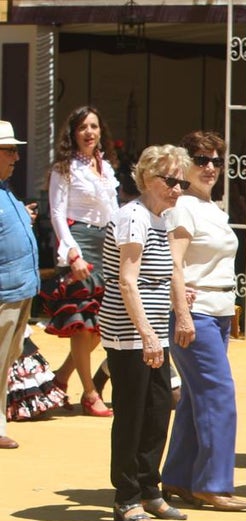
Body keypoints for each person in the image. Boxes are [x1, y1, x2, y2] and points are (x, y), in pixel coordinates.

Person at [157, 131, 246, 512]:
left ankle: (178, 477)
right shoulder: (183, 207)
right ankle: (212, 484)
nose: (210, 166)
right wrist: (180, 311)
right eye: (200, 159)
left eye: (215, 159)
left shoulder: (213, 207)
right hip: (196, 313)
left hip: (219, 309)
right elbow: (173, 263)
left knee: (197, 398)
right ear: (184, 163)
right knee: (218, 395)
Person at [101, 144, 190, 521]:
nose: (177, 189)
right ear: (146, 178)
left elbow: (167, 273)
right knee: (132, 415)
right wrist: (148, 335)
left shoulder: (160, 219)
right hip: (130, 332)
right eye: (170, 180)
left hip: (153, 330)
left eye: (181, 182)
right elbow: (126, 281)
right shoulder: (132, 217)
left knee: (158, 411)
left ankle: (149, 488)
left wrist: (181, 314)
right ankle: (126, 496)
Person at [47, 106, 120, 417]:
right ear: (73, 134)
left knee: (101, 323)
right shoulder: (64, 168)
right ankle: (89, 393)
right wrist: (72, 252)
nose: (89, 132)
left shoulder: (105, 167)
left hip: (107, 243)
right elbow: (56, 213)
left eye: (94, 126)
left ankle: (60, 379)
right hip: (81, 243)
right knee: (83, 324)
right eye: (82, 127)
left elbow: (114, 209)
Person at [0, 120, 39, 449]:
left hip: (18, 290)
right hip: (4, 293)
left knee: (5, 361)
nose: (16, 157)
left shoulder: (6, 191)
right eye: (10, 150)